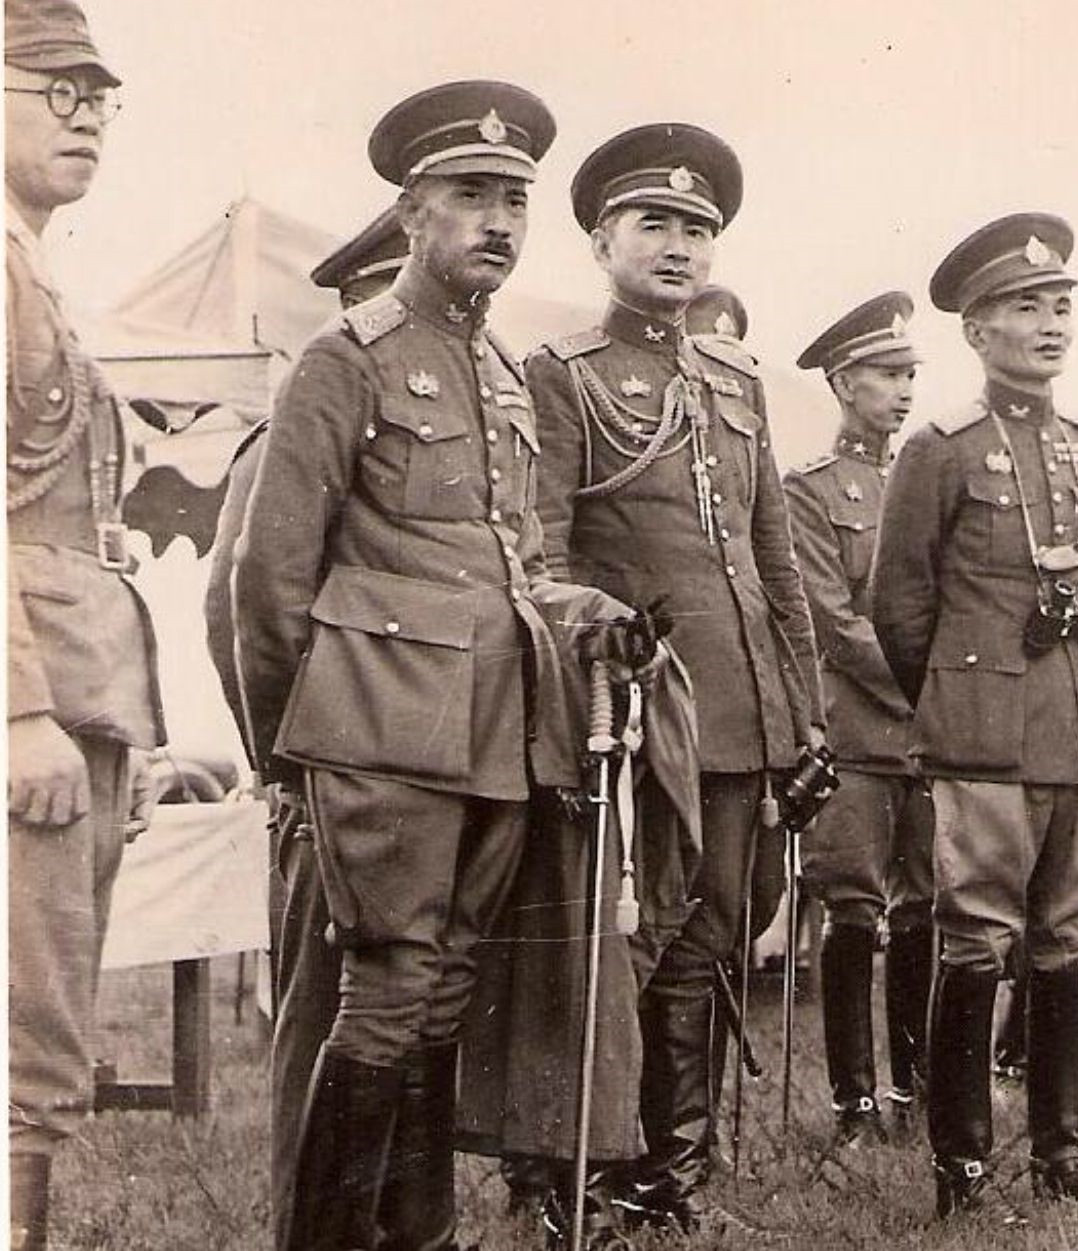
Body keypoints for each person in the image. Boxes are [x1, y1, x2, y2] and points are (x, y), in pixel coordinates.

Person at [232, 80, 641, 1249]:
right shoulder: (346, 359)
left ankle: (418, 1238)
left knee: (446, 989)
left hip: (493, 738)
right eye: (470, 196)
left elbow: (507, 566)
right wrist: (296, 752)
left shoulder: (502, 371)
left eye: (515, 201)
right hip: (380, 739)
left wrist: (581, 607)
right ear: (411, 213)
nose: (498, 222)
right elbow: (269, 580)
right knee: (388, 992)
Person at [519, 122, 823, 1234]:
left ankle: (671, 1178)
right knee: (624, 944)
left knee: (711, 938)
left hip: (736, 711)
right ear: (602, 241)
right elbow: (542, 553)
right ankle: (580, 1173)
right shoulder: (561, 375)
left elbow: (773, 562)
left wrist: (802, 713)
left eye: (698, 227)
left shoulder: (737, 378)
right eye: (654, 223)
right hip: (634, 710)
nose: (680, 245)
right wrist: (582, 676)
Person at [870, 212, 1078, 1215]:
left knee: (1068, 932)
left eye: (1059, 307)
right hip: (984, 731)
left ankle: (1062, 1154)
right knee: (974, 935)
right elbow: (899, 602)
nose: (1049, 326)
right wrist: (955, 696)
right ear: (976, 330)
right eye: (1024, 308)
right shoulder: (940, 448)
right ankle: (960, 1164)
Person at [200, 203, 405, 1251]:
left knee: (400, 1013)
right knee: (322, 1018)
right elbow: (236, 603)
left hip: (408, 766)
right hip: (326, 771)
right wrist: (284, 757)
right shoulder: (295, 424)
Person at [6, 5, 161, 1244]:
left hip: (75, 703)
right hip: (30, 716)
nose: (88, 119)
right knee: (24, 1043)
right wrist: (18, 712)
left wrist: (128, 726)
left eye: (100, 98)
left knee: (45, 1036)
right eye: (54, 91)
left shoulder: (34, 269)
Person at [784, 291, 934, 1144]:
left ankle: (913, 1087)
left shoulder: (924, 478)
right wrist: (922, 687)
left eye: (911, 373)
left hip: (931, 736)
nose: (904, 390)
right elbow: (833, 621)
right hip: (859, 731)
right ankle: (854, 1098)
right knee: (853, 907)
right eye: (886, 373)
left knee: (926, 907)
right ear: (844, 383)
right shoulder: (808, 488)